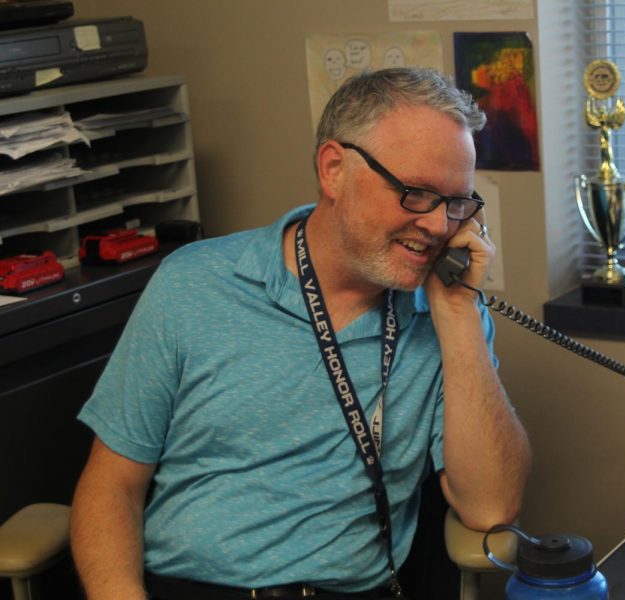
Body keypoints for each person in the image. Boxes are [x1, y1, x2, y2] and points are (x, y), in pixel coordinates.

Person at [69, 67, 531, 600]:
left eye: (457, 204)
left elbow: (491, 507)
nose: (437, 226)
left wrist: (456, 314)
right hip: (190, 585)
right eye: (417, 193)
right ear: (334, 169)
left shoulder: (450, 317)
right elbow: (112, 484)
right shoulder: (194, 283)